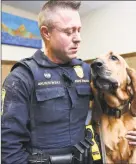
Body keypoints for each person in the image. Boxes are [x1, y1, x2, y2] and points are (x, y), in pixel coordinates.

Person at [1, 1, 136, 164]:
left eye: (79, 30)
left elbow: (116, 104)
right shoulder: (22, 77)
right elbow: (8, 145)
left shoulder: (87, 71)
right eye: (68, 32)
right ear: (46, 33)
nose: (78, 39)